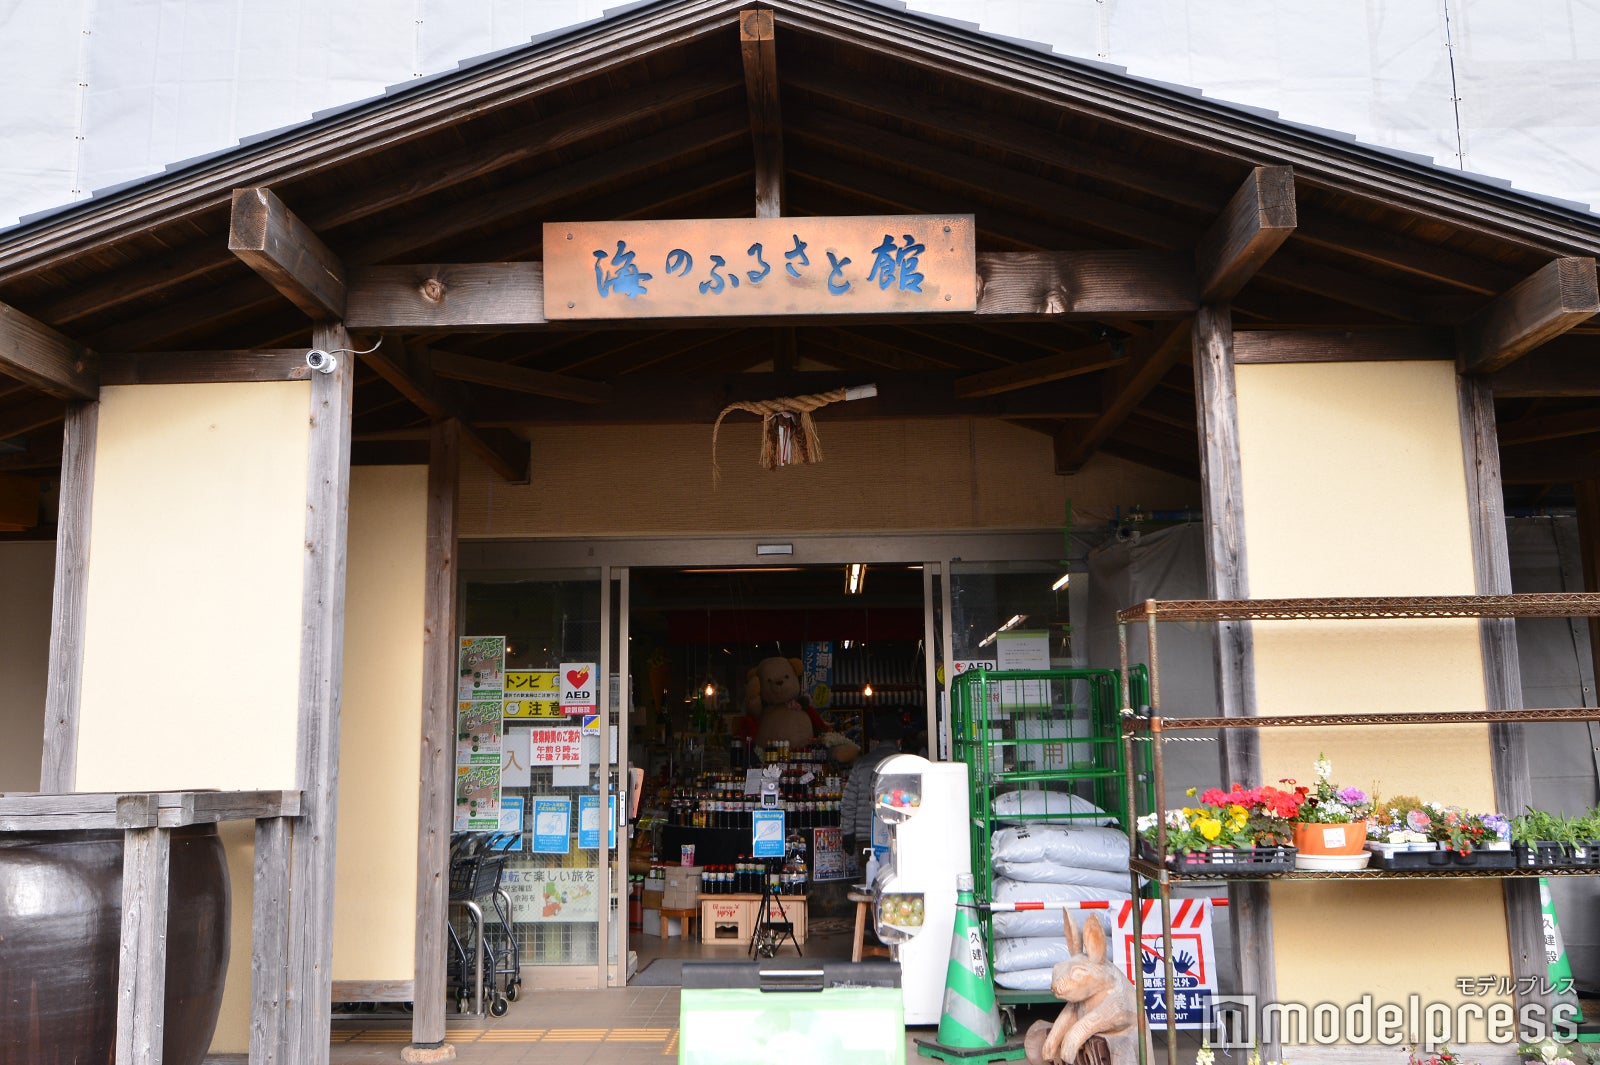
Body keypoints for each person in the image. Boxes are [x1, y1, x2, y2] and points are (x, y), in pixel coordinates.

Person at [841, 710, 904, 854]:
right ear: (899, 741)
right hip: (899, 836)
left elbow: (848, 804)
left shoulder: (861, 764)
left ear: (877, 740)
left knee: (869, 868)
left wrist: (848, 834)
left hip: (866, 839)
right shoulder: (905, 765)